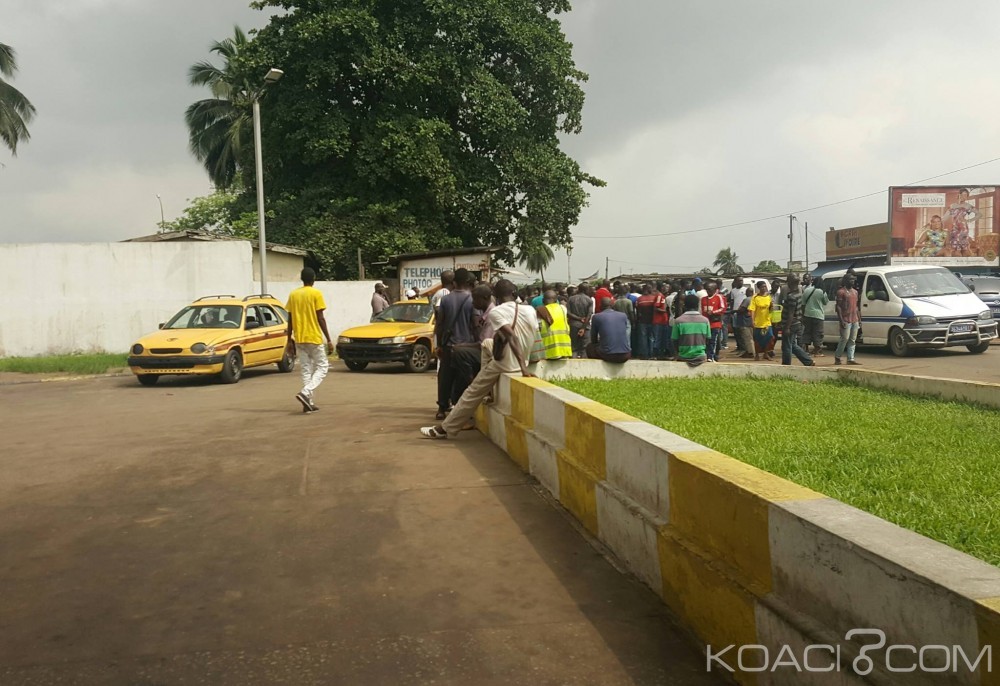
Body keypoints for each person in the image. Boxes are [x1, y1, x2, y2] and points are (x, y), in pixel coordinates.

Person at [420, 280, 537, 439]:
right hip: (522, 358)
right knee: (487, 345)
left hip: (508, 363)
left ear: (494, 296)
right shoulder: (530, 310)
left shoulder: (497, 312)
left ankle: (445, 429)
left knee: (471, 393)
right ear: (514, 294)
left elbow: (512, 337)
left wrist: (523, 368)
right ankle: (487, 386)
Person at [286, 268, 333, 413]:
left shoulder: (293, 294)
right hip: (313, 336)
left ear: (302, 278)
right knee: (323, 367)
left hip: (299, 337)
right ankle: (306, 392)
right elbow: (320, 317)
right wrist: (329, 339)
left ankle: (308, 403)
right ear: (313, 279)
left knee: (306, 370)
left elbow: (290, 319)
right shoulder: (316, 293)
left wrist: (289, 339)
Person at [434, 268, 475, 420]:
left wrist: (438, 345)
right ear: (468, 282)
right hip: (466, 346)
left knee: (445, 377)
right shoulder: (472, 299)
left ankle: (441, 408)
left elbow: (440, 324)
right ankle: (460, 409)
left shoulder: (445, 300)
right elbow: (474, 324)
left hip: (448, 345)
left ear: (454, 282)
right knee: (463, 378)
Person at [780, 274, 815, 367]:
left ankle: (786, 365)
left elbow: (791, 314)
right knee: (793, 345)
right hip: (797, 322)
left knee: (787, 346)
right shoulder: (799, 294)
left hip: (791, 324)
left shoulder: (791, 296)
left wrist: (787, 327)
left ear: (790, 283)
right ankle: (808, 361)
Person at [671, 294, 710, 367]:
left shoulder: (678, 321)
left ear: (684, 306)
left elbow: (674, 341)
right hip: (700, 357)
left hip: (683, 357)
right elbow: (708, 339)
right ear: (698, 306)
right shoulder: (705, 321)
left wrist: (679, 353)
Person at [587, 298, 631, 363]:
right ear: (613, 306)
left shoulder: (596, 317)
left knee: (589, 347)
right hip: (626, 354)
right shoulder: (623, 316)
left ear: (600, 306)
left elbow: (594, 339)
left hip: (608, 355)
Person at [536, 290, 573, 359]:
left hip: (549, 352)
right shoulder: (563, 308)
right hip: (565, 350)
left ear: (543, 300)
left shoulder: (541, 310)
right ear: (556, 300)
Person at [835, 274, 862, 365]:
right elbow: (838, 307)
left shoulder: (855, 292)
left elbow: (857, 307)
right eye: (851, 280)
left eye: (853, 280)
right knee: (844, 339)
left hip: (854, 319)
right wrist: (841, 320)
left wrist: (859, 319)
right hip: (845, 319)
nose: (853, 281)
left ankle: (850, 358)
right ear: (846, 281)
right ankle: (838, 356)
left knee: (852, 340)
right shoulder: (841, 292)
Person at [800, 276, 828, 355]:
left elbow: (803, 303)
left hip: (807, 314)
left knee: (807, 331)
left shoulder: (807, 290)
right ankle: (817, 349)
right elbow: (825, 302)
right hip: (818, 315)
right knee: (818, 332)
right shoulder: (822, 292)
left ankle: (806, 349)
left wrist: (803, 314)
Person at [748, 281, 774, 361]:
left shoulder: (768, 297)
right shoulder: (755, 297)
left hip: (767, 321)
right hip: (758, 322)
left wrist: (772, 307)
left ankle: (766, 353)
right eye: (762, 287)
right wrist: (752, 321)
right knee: (757, 339)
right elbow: (752, 310)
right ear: (759, 288)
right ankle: (757, 354)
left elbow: (770, 308)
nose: (764, 288)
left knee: (769, 337)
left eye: (765, 286)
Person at [701, 280, 726, 362]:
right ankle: (707, 355)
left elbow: (723, 309)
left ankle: (711, 356)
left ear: (715, 289)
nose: (708, 291)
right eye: (707, 289)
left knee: (713, 340)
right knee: (706, 341)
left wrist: (713, 312)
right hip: (705, 323)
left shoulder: (719, 297)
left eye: (710, 289)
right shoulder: (703, 299)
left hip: (715, 323)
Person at [946, 188, 976, 256]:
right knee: (955, 251)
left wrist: (968, 220)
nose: (964, 197)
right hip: (955, 229)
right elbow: (945, 217)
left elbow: (979, 214)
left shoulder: (968, 206)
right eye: (963, 195)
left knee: (965, 250)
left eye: (966, 195)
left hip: (963, 229)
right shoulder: (952, 205)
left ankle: (967, 264)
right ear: (959, 195)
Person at [567, 284, 593, 358]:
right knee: (585, 348)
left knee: (574, 348)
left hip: (573, 325)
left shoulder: (571, 299)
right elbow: (589, 315)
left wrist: (578, 318)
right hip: (586, 326)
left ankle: (574, 366)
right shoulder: (589, 300)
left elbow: (568, 313)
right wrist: (583, 328)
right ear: (585, 290)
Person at [634, 283, 656, 359]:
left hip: (642, 321)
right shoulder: (654, 298)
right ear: (648, 289)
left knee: (643, 338)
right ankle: (651, 354)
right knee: (651, 338)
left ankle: (645, 354)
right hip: (652, 321)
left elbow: (638, 311)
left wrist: (637, 321)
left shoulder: (640, 299)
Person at [735, 286, 755, 359]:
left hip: (745, 321)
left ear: (749, 292)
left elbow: (742, 309)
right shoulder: (754, 299)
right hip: (751, 321)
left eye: (746, 292)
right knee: (750, 337)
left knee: (747, 338)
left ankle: (751, 353)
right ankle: (748, 351)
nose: (745, 293)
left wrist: (735, 311)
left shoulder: (747, 299)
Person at [729, 277, 747, 352]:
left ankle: (744, 348)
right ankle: (739, 346)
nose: (741, 282)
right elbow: (732, 301)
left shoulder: (746, 289)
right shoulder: (733, 291)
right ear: (735, 282)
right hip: (735, 313)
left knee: (742, 330)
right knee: (736, 331)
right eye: (739, 281)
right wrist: (731, 311)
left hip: (743, 312)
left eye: (742, 280)